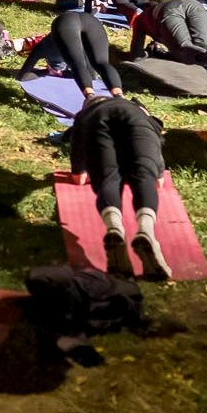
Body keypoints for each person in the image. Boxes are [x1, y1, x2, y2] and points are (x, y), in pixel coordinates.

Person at [70, 95, 173, 280]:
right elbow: (158, 169)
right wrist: (157, 172)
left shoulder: (84, 116)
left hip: (97, 121)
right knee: (143, 176)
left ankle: (114, 228)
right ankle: (146, 230)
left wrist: (80, 170)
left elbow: (78, 175)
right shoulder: (138, 109)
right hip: (138, 122)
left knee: (108, 180)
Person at [128, 0, 207, 96]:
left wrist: (147, 54)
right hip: (195, 5)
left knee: (184, 50)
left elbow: (136, 56)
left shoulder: (140, 19)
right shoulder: (155, 10)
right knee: (204, 47)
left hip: (170, 11)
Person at [19, 10, 122, 96]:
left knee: (77, 62)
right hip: (91, 21)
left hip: (65, 23)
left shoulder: (45, 48)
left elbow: (24, 74)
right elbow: (91, 75)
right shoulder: (50, 47)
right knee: (101, 62)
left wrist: (33, 74)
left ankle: (91, 97)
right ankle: (119, 96)